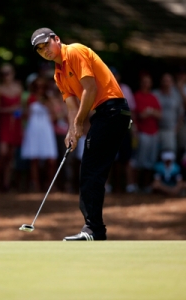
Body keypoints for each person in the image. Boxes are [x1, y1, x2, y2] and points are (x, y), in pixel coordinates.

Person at [31, 28, 131, 241]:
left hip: (112, 110)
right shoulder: (58, 73)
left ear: (57, 39)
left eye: (46, 44)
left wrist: (78, 123)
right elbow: (70, 105)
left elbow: (90, 89)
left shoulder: (74, 51)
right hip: (106, 114)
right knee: (91, 171)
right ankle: (94, 229)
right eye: (39, 50)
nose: (44, 51)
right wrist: (72, 130)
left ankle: (93, 229)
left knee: (90, 171)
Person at [21, 76, 58, 192]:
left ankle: (49, 184)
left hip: (46, 130)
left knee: (51, 159)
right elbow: (24, 115)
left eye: (42, 86)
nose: (40, 89)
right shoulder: (30, 98)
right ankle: (35, 185)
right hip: (33, 129)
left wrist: (47, 104)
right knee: (34, 159)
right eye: (37, 86)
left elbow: (56, 115)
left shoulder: (49, 99)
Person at [0, 63, 23, 191]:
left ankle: (6, 183)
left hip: (15, 124)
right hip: (4, 123)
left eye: (8, 73)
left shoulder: (18, 88)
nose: (6, 76)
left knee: (11, 155)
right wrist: (10, 110)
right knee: (3, 152)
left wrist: (19, 112)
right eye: (3, 74)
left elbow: (21, 107)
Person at [134, 74, 161, 193]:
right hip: (142, 133)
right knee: (140, 160)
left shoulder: (153, 97)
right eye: (144, 82)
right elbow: (140, 115)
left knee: (150, 161)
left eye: (148, 82)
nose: (146, 84)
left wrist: (149, 112)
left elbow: (160, 114)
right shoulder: (138, 96)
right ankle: (136, 185)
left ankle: (146, 186)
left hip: (153, 133)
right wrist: (151, 112)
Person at [153, 73, 183, 153]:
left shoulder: (176, 96)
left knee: (169, 154)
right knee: (155, 153)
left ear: (172, 83)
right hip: (155, 129)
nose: (166, 83)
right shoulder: (155, 94)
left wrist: (176, 129)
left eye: (168, 81)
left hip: (170, 130)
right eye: (164, 81)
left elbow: (181, 114)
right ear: (161, 82)